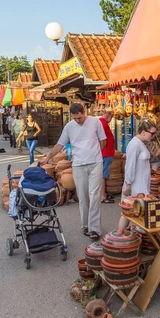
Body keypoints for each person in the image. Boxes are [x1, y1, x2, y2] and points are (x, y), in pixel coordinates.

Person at [40, 103, 106, 240]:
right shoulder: (69, 127)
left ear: (85, 112)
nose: (77, 120)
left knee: (94, 195)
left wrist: (96, 154)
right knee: (82, 196)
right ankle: (85, 225)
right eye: (75, 118)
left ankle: (95, 229)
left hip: (95, 163)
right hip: (78, 165)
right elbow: (60, 145)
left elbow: (103, 141)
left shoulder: (95, 122)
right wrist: (48, 158)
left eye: (80, 117)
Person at [118, 119, 156, 229]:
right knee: (130, 211)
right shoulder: (134, 144)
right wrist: (128, 184)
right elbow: (130, 165)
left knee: (132, 212)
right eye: (152, 133)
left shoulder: (140, 143)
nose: (153, 136)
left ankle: (125, 236)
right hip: (136, 185)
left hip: (141, 184)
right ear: (143, 132)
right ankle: (121, 236)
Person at [98, 108, 115, 204]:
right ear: (110, 116)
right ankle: (102, 196)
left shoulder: (102, 122)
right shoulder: (103, 123)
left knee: (104, 174)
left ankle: (103, 193)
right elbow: (101, 139)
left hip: (106, 152)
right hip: (105, 153)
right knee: (103, 175)